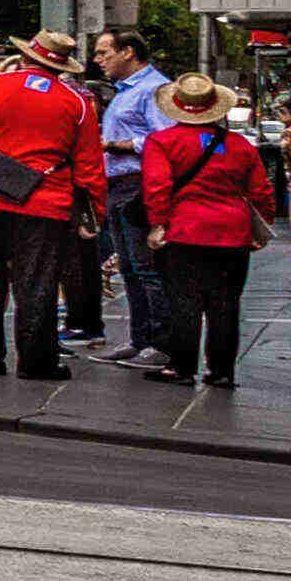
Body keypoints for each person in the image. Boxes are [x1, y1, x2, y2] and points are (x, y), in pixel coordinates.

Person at [0, 30, 101, 379]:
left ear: (26, 56)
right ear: (61, 66)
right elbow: (89, 165)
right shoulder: (78, 103)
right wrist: (93, 213)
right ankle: (36, 362)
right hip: (44, 200)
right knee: (37, 283)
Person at [140, 74, 275, 389]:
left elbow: (157, 187)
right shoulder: (240, 145)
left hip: (184, 230)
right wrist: (262, 226)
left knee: (183, 301)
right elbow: (260, 191)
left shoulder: (162, 142)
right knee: (225, 303)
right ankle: (222, 371)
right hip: (233, 233)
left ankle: (181, 367)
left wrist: (158, 224)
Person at [89, 30, 175, 369]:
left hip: (138, 184)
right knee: (128, 268)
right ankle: (140, 338)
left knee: (147, 268)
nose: (98, 60)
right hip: (118, 184)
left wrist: (117, 145)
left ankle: (161, 343)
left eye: (103, 52)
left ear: (127, 52)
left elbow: (164, 137)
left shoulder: (154, 89)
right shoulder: (125, 91)